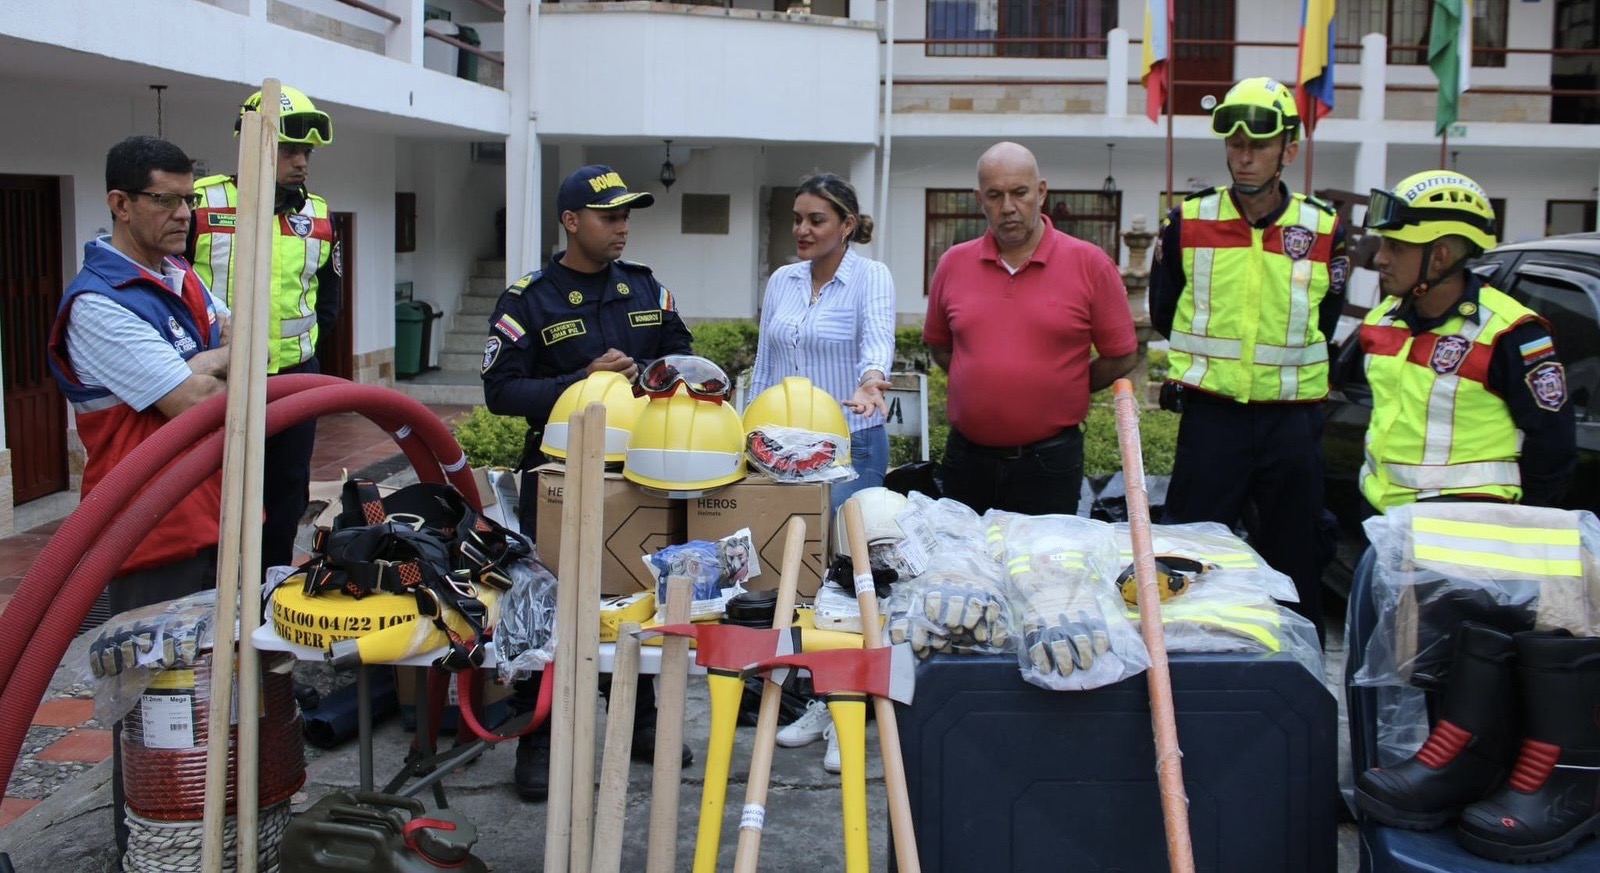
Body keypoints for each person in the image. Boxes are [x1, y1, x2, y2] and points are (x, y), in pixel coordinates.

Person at [481, 164, 694, 801]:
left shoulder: (645, 288)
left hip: (641, 477)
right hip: (557, 477)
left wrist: (649, 374)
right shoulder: (530, 298)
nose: (623, 226)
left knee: (641, 596)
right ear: (572, 221)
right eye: (610, 216)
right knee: (549, 605)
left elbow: (683, 355)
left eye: (628, 215)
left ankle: (643, 720)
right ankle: (540, 736)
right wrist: (582, 382)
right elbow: (500, 391)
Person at [47, 135, 229, 856]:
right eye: (166, 199)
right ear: (120, 204)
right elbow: (194, 402)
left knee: (216, 697)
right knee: (159, 707)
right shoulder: (96, 304)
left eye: (191, 199)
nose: (184, 213)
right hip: (151, 534)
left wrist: (207, 363)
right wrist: (210, 364)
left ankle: (217, 831)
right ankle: (152, 848)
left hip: (216, 513)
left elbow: (255, 355)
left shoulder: (181, 278)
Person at [1149, 77, 1347, 641]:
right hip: (1214, 421)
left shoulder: (1323, 229)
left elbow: (1326, 321)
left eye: (1258, 146)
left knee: (1297, 557)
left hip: (1292, 422)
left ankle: (1298, 671)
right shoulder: (1188, 221)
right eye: (1235, 145)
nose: (1244, 156)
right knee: (1187, 552)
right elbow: (1165, 310)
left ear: (1288, 150)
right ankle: (1182, 664)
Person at [923, 141, 1139, 516]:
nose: (1008, 207)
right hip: (966, 460)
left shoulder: (1089, 263)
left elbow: (1121, 356)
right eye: (995, 195)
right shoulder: (953, 264)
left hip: (1049, 464)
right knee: (963, 568)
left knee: (1044, 571)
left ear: (1041, 192)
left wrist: (1066, 383)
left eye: (1019, 193)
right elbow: (941, 347)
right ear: (979, 199)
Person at [188, 84, 342, 572]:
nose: (302, 163)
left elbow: (329, 299)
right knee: (217, 498)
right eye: (291, 150)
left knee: (284, 502)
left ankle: (266, 594)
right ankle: (215, 605)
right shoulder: (198, 204)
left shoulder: (317, 214)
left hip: (293, 380)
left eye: (307, 153)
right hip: (217, 383)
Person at [1358, 170, 1576, 510]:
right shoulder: (1381, 319)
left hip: (1468, 535)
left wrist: (1515, 528)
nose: (1380, 258)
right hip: (1385, 524)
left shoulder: (1511, 333)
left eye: (1395, 247)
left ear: (1441, 256)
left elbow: (1553, 447)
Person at [748, 172, 895, 509]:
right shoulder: (782, 280)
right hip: (782, 443)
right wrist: (748, 429)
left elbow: (878, 339)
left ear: (847, 225)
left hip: (850, 442)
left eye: (816, 220)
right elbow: (765, 365)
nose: (802, 230)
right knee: (782, 541)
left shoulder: (871, 276)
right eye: (797, 220)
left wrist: (871, 379)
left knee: (831, 540)